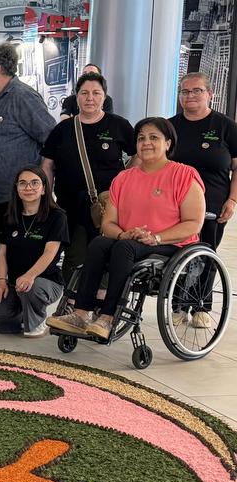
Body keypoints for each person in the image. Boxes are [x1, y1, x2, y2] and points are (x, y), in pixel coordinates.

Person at [48, 118, 206, 340]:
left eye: (154, 137)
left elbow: (193, 223)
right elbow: (108, 224)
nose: (146, 143)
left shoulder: (183, 175)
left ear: (168, 143)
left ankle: (107, 317)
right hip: (129, 241)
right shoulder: (123, 178)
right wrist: (123, 234)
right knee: (100, 243)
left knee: (124, 249)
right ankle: (81, 313)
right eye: (141, 138)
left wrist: (156, 237)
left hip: (169, 244)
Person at [0, 42, 56, 292]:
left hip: (18, 197)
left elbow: (51, 138)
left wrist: (41, 180)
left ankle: (18, 300)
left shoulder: (23, 97)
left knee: (16, 255)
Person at [41, 71, 134, 282]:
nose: (90, 98)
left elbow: (138, 155)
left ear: (104, 97)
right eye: (84, 93)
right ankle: (73, 297)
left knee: (106, 253)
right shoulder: (63, 129)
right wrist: (47, 199)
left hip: (108, 205)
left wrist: (126, 180)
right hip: (70, 205)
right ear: (76, 97)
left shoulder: (118, 125)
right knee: (74, 255)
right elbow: (47, 164)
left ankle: (102, 298)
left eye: (96, 93)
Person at [168, 72, 237, 328]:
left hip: (214, 203)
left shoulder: (226, 126)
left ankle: (201, 306)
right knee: (177, 254)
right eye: (185, 91)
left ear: (210, 94)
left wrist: (232, 200)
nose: (190, 96)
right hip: (175, 204)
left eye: (197, 90)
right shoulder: (170, 127)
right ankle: (177, 306)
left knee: (206, 253)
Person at [0, 166, 68, 337]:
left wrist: (30, 276)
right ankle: (24, 315)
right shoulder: (10, 217)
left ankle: (38, 321)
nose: (28, 187)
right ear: (16, 189)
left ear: (44, 188)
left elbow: (49, 253)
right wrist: (1, 281)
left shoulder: (57, 216)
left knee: (30, 289)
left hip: (46, 281)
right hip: (15, 283)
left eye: (34, 183)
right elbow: (2, 253)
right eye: (23, 183)